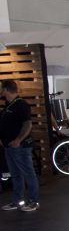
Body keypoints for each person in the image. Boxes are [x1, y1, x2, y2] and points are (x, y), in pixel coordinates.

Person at [0, 80, 39, 212]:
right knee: (16, 174)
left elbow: (28, 124)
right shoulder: (8, 105)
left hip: (20, 147)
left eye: (1, 88)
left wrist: (18, 140)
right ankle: (18, 201)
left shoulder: (21, 104)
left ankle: (34, 201)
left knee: (28, 173)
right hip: (9, 147)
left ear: (6, 89)